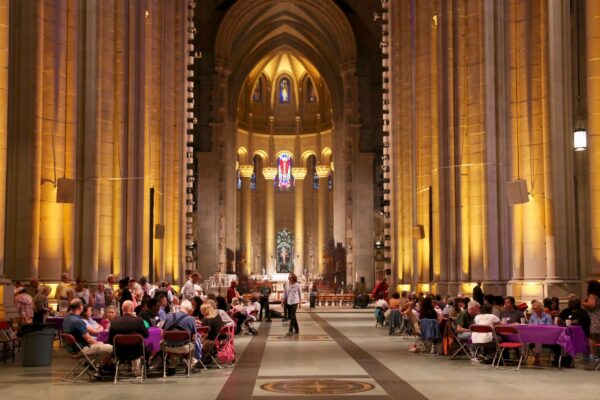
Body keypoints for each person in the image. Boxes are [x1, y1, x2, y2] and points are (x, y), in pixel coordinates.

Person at [63, 299, 113, 376]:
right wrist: (99, 343)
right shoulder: (78, 321)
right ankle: (102, 370)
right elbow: (89, 339)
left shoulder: (66, 318)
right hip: (81, 349)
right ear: (80, 308)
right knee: (111, 348)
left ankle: (95, 366)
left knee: (104, 346)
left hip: (71, 349)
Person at [108, 300, 149, 375]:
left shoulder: (114, 322)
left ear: (122, 309)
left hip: (119, 353)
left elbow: (111, 341)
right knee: (146, 347)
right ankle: (143, 369)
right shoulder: (138, 321)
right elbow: (146, 335)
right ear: (132, 309)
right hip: (137, 352)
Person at [163, 299, 201, 374]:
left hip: (167, 347)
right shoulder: (190, 319)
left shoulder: (168, 316)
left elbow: (163, 331)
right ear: (190, 310)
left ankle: (171, 367)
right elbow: (194, 337)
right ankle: (190, 366)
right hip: (183, 347)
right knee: (196, 342)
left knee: (175, 343)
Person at [529, 301, 559, 365]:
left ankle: (537, 358)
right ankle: (522, 357)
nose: (534, 310)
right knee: (523, 339)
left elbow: (549, 328)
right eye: (533, 309)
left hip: (545, 336)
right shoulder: (532, 316)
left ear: (541, 308)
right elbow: (529, 326)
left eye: (536, 308)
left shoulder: (547, 316)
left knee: (538, 339)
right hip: (533, 335)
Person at [582, 280, 600, 362]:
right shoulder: (598, 295)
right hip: (598, 316)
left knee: (592, 336)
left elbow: (592, 305)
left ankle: (593, 355)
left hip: (594, 318)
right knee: (597, 337)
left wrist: (582, 303)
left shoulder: (592, 295)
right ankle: (597, 354)